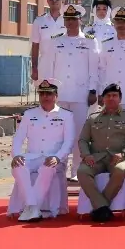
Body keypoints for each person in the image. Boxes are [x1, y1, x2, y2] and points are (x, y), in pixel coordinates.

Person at [39, 4, 99, 181]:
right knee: (59, 133)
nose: (70, 22)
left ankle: (76, 170)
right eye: (67, 19)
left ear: (81, 20)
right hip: (60, 94)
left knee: (80, 134)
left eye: (74, 18)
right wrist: (48, 91)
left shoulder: (90, 41)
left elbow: (94, 68)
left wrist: (93, 90)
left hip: (81, 94)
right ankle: (59, 168)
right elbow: (49, 67)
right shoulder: (56, 40)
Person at [10, 78, 75, 222]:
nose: (45, 97)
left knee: (47, 168)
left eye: (49, 94)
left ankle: (31, 208)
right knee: (18, 166)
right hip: (32, 156)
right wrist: (16, 155)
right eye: (42, 94)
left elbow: (69, 142)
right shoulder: (29, 114)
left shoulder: (66, 115)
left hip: (54, 158)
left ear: (56, 96)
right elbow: (18, 138)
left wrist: (57, 157)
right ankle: (33, 207)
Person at [77, 83, 125, 222]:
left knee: (120, 170)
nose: (111, 98)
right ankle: (103, 207)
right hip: (97, 158)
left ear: (120, 99)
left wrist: (124, 153)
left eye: (115, 96)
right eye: (108, 96)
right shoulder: (93, 118)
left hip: (121, 157)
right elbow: (82, 140)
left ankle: (100, 207)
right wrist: (86, 155)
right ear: (103, 99)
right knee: (82, 171)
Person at [30, 0, 68, 81]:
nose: (54, 1)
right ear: (47, 1)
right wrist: (34, 68)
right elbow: (35, 46)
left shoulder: (69, 20)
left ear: (63, 0)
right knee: (45, 90)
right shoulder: (39, 21)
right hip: (45, 65)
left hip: (65, 66)